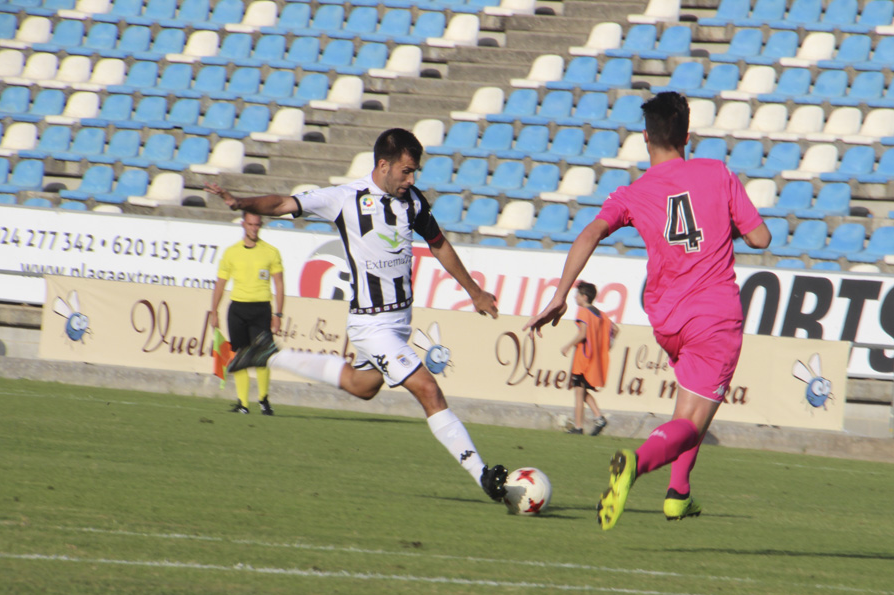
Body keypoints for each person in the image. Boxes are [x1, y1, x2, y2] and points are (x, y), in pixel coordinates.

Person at [204, 128, 510, 504]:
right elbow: (284, 203)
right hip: (371, 323)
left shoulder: (412, 201)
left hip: (398, 323)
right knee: (429, 390)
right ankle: (482, 473)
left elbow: (439, 243)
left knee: (363, 387)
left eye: (415, 172)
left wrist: (474, 291)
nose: (412, 180)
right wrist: (241, 203)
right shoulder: (344, 199)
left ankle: (270, 353)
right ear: (383, 165)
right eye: (407, 171)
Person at [524, 92, 771, 530]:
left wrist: (561, 294)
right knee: (692, 425)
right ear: (687, 136)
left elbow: (589, 234)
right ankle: (636, 464)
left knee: (690, 404)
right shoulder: (716, 173)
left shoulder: (632, 193)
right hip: (713, 314)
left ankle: (678, 494)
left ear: (645, 138)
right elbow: (761, 239)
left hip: (667, 319)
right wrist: (726, 228)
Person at [208, 210, 284, 415]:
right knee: (240, 356)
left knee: (261, 357)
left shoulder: (271, 252)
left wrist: (278, 315)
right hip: (238, 309)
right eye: (250, 224)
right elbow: (221, 283)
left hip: (261, 309)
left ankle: (264, 400)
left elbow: (279, 283)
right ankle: (243, 404)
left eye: (257, 225)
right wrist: (213, 311)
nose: (253, 228)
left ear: (260, 226)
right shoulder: (231, 252)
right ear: (243, 224)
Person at [560, 281, 616, 436]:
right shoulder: (601, 314)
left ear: (584, 297)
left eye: (577, 294)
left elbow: (583, 334)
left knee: (578, 393)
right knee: (583, 392)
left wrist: (568, 345)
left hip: (583, 358)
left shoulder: (583, 311)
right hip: (593, 359)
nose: (575, 297)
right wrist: (607, 345)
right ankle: (599, 418)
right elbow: (615, 329)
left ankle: (578, 427)